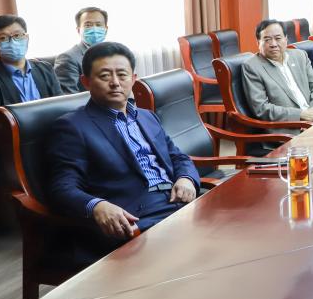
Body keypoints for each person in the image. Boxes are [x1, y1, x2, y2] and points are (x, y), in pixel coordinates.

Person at [45, 42, 200, 263]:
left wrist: (186, 178)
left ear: (134, 78)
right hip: (137, 217)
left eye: (122, 74)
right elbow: (62, 187)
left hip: (179, 202)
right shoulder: (72, 126)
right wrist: (97, 205)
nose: (115, 83)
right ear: (86, 82)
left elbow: (177, 156)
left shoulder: (146, 116)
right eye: (105, 76)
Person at [0, 15, 62, 138]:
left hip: (54, 134)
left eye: (17, 35)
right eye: (3, 38)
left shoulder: (45, 69)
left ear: (27, 38)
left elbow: (61, 105)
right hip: (19, 142)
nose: (12, 42)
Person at [242, 19, 313, 127]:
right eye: (267, 39)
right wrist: (301, 114)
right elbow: (261, 108)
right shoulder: (252, 67)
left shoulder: (299, 56)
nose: (273, 44)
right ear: (258, 43)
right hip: (291, 126)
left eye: (278, 38)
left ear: (286, 39)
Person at [55, 6, 109, 94]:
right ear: (78, 30)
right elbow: (70, 97)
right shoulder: (68, 58)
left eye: (98, 25)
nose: (94, 29)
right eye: (88, 25)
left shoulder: (115, 55)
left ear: (106, 29)